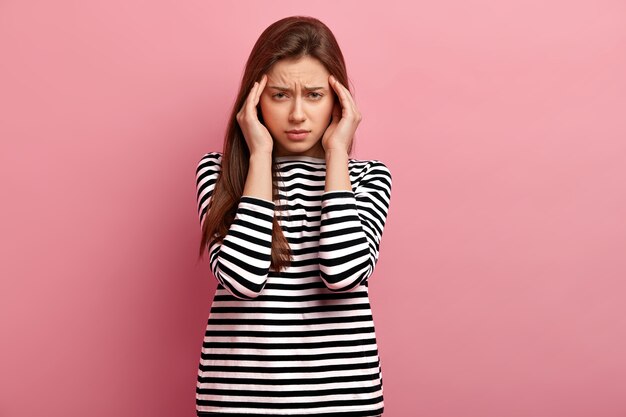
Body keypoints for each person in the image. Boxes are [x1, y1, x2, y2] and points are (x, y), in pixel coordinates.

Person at [194, 16, 392, 417]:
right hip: (237, 401)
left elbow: (343, 273)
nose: (298, 114)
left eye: (315, 95)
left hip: (345, 400)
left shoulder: (369, 177)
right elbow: (242, 279)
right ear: (255, 100)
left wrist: (338, 153)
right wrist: (260, 156)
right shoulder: (220, 174)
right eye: (281, 95)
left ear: (339, 100)